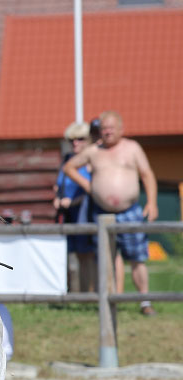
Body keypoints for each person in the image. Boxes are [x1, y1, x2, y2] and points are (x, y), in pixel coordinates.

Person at [63, 110, 158, 315]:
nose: (107, 132)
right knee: (106, 258)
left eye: (111, 128)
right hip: (102, 214)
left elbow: (147, 174)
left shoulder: (132, 148)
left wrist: (152, 203)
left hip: (130, 211)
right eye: (104, 128)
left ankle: (145, 301)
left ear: (121, 129)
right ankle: (109, 301)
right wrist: (89, 186)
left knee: (137, 257)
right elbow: (69, 167)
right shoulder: (94, 151)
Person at [53, 121, 95, 292]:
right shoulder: (67, 160)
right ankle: (72, 294)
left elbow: (92, 188)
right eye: (72, 140)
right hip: (68, 214)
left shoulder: (91, 161)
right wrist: (57, 197)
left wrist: (74, 202)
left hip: (85, 213)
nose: (75, 143)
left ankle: (88, 295)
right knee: (73, 256)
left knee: (87, 257)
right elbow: (59, 185)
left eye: (80, 139)